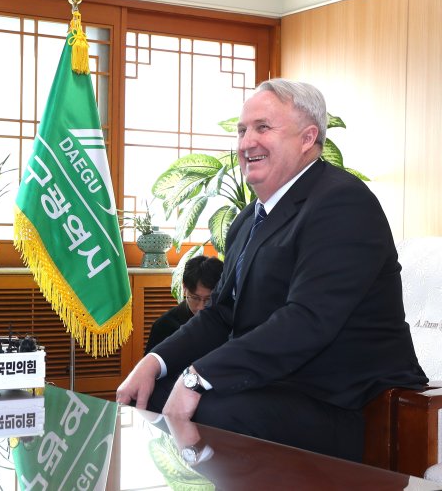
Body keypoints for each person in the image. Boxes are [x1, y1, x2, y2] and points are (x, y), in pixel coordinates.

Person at [116, 78, 427, 462]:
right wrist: (154, 362)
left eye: (263, 128)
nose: (247, 143)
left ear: (307, 138)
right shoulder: (250, 217)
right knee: (153, 393)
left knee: (206, 409)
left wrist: (197, 377)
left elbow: (308, 320)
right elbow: (221, 313)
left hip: (347, 403)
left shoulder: (342, 202)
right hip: (279, 387)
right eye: (242, 130)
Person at [144, 255, 223, 354]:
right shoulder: (164, 326)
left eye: (208, 299)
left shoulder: (227, 320)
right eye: (195, 298)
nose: (201, 307)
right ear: (184, 288)